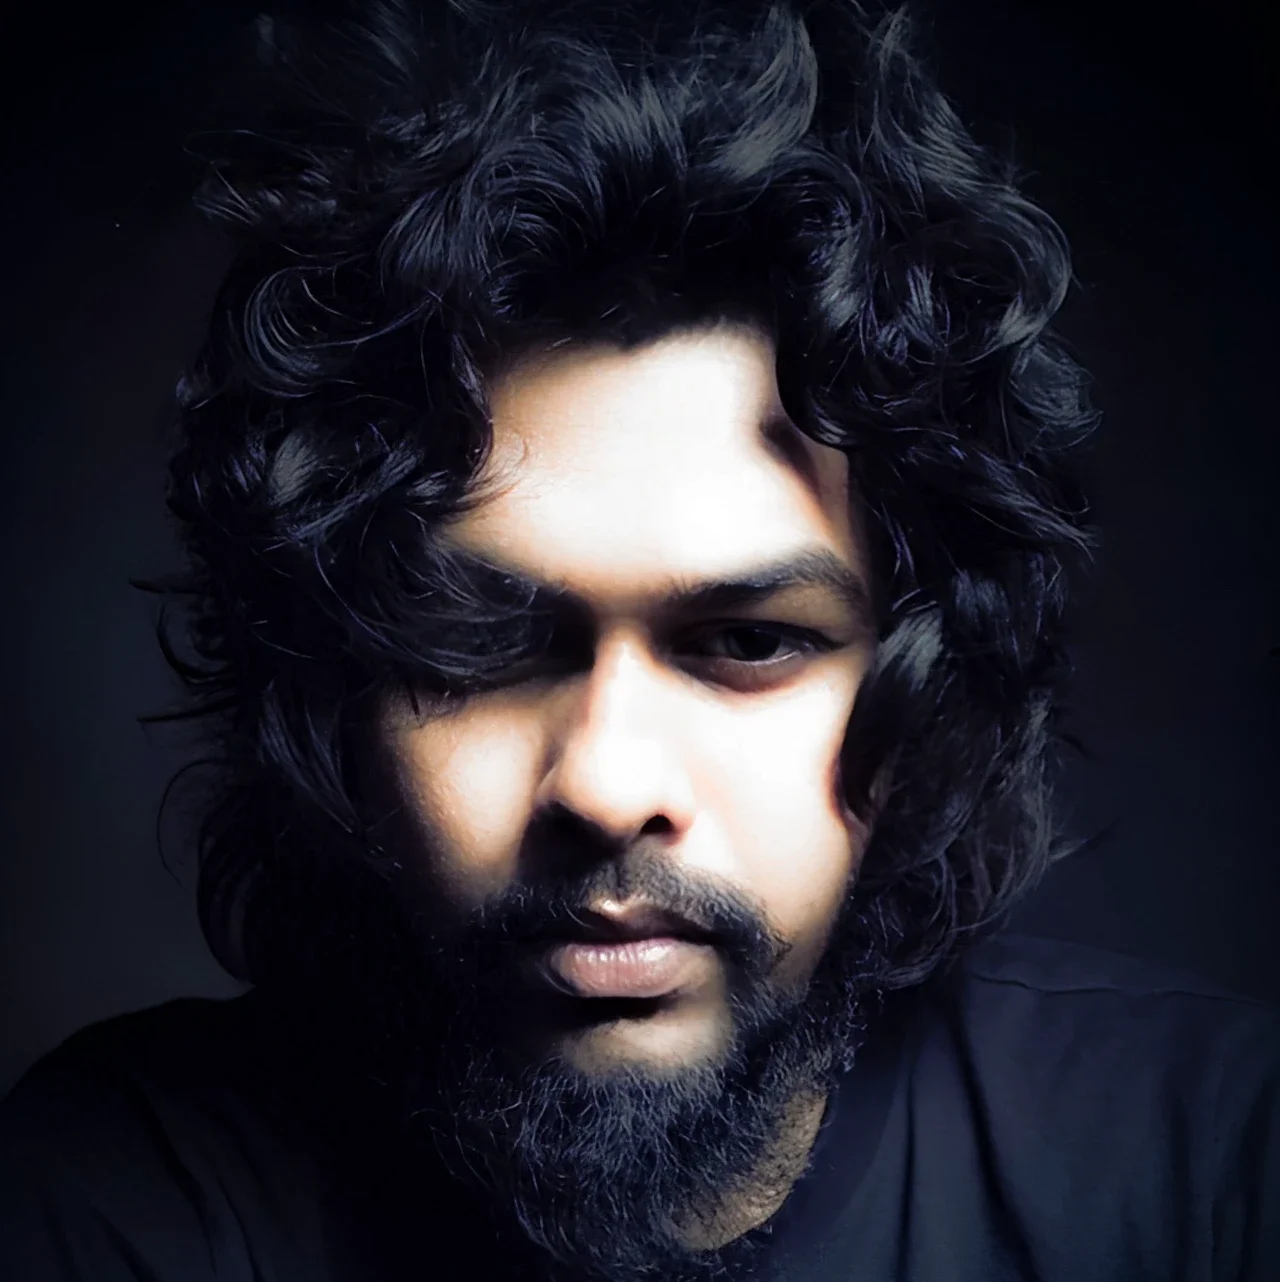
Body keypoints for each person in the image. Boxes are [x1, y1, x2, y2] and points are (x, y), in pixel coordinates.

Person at [2, 0, 1276, 1278]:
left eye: (749, 641)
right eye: (474, 641)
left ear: (924, 689)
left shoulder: (1207, 1157)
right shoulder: (115, 1201)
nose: (608, 786)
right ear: (330, 698)